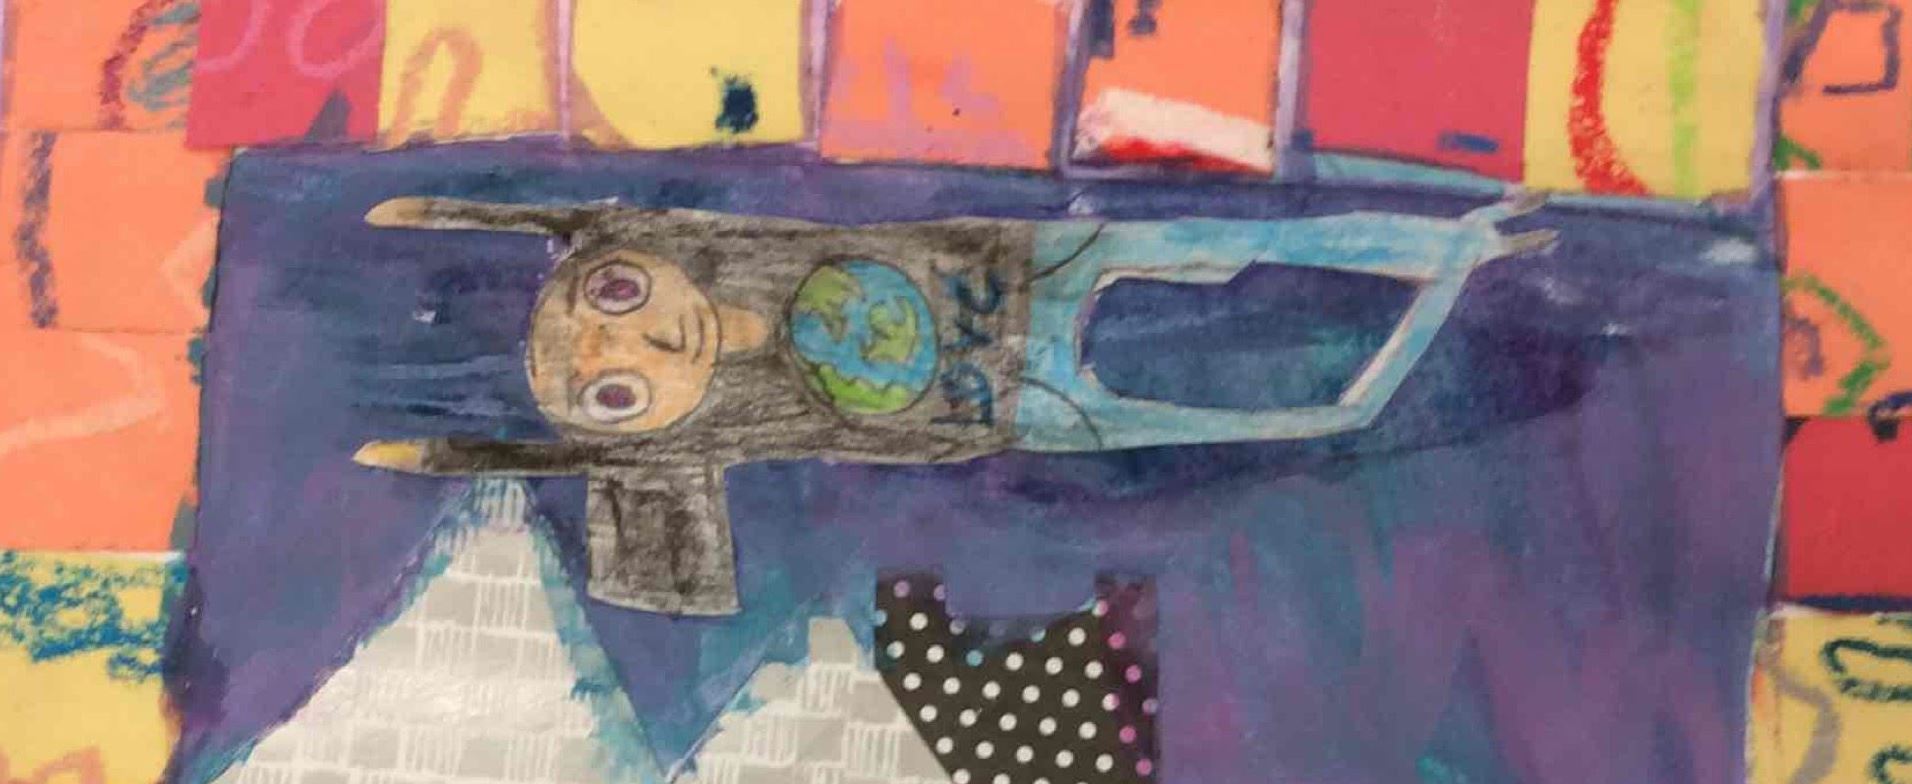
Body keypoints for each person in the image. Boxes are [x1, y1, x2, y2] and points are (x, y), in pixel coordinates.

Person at [357, 193, 1551, 614]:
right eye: (615, 387)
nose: (652, 336)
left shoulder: (699, 234)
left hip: (1029, 266)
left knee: (1231, 258)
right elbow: (673, 579)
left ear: (620, 242)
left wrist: (453, 219)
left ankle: (1453, 249)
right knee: (1277, 408)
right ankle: (1406, 344)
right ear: (626, 435)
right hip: (1025, 398)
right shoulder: (680, 449)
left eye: (614, 292)